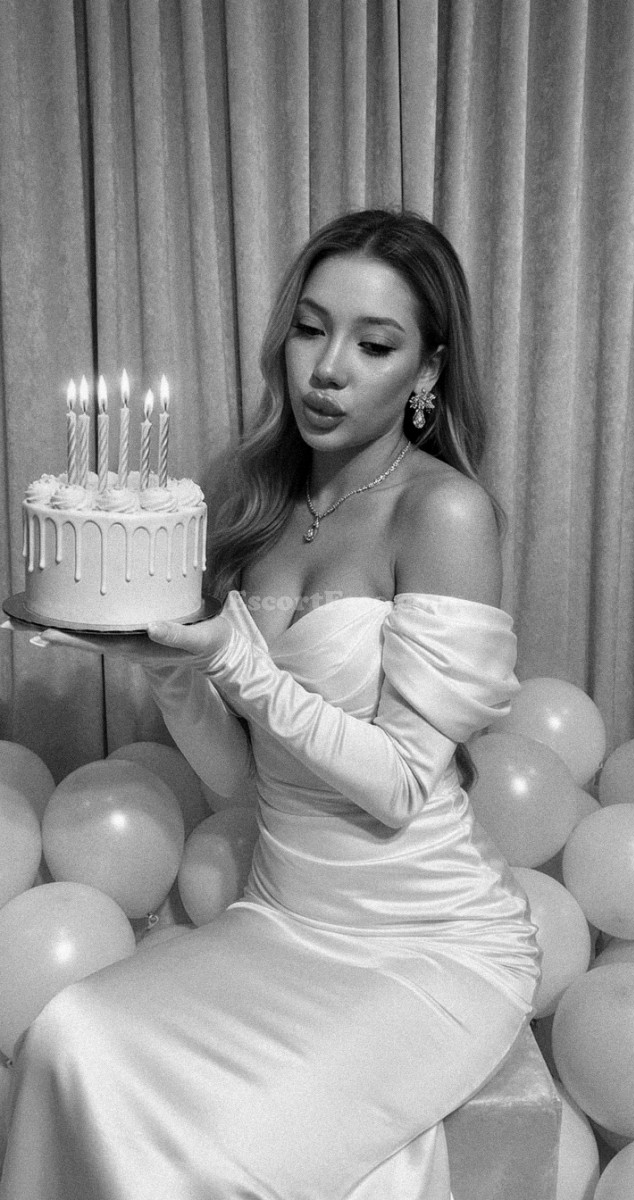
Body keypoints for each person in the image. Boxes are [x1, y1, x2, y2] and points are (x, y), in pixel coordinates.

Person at [1, 208, 540, 1199]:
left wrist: (238, 664)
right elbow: (241, 783)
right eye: (309, 328)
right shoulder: (253, 504)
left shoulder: (443, 513)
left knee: (212, 1156)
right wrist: (164, 665)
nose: (326, 369)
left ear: (426, 371)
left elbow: (399, 784)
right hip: (283, 916)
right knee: (66, 1037)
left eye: (373, 344)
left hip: (425, 945)